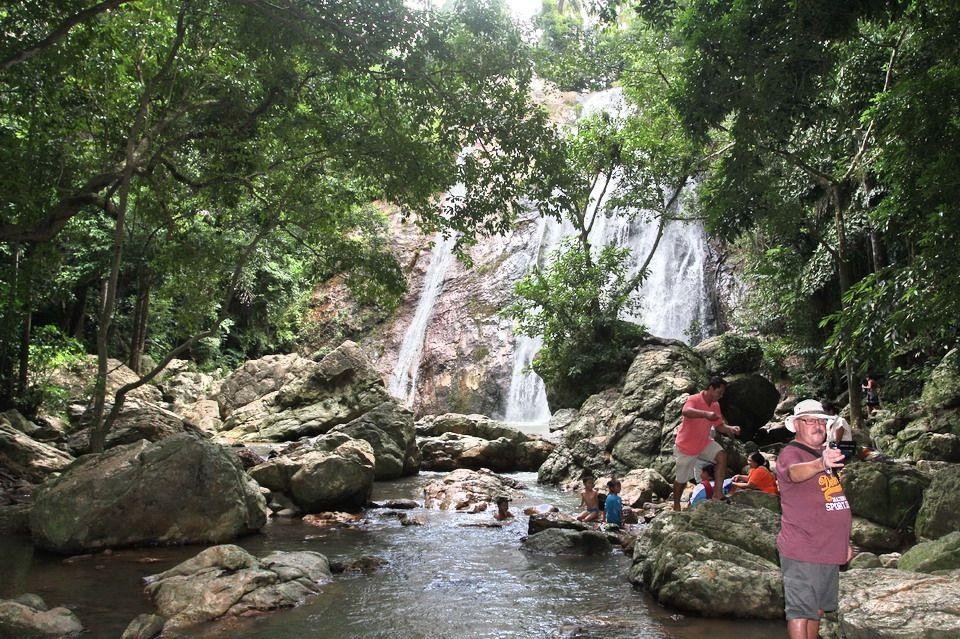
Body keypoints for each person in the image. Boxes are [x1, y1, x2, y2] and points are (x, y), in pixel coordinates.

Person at [776, 399, 853, 639]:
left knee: (816, 610)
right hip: (803, 548)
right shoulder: (791, 453)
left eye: (821, 421)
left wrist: (844, 543)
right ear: (797, 425)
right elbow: (793, 473)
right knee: (800, 612)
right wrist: (821, 463)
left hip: (827, 548)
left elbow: (832, 501)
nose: (818, 425)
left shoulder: (823, 453)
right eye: (811, 421)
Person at [672, 377, 741, 510]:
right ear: (710, 388)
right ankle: (676, 504)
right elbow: (686, 411)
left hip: (704, 442)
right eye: (719, 393)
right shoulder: (694, 399)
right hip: (687, 446)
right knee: (681, 480)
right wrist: (706, 414)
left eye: (722, 394)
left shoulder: (715, 405)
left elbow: (719, 425)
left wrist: (731, 428)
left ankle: (717, 493)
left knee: (722, 456)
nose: (720, 396)